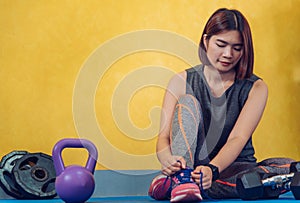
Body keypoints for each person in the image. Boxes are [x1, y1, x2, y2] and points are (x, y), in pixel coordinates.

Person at [148, 8, 295, 202]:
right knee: (186, 102)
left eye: (237, 47)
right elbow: (163, 138)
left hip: (234, 169)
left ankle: (180, 186)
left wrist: (212, 170)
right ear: (206, 40)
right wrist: (167, 158)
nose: (228, 54)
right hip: (191, 165)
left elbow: (238, 138)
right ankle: (183, 180)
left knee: (292, 169)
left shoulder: (256, 87)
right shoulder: (180, 80)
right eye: (221, 44)